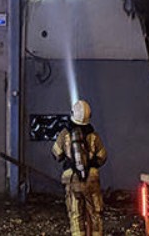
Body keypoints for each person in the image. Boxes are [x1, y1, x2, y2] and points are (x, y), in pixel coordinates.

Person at [52, 99, 107, 236]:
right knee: (96, 214)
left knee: (76, 215)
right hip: (92, 180)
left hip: (72, 179)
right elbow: (102, 157)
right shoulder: (93, 136)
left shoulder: (65, 134)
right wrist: (91, 166)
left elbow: (56, 154)